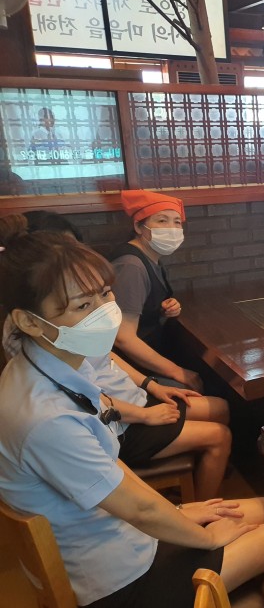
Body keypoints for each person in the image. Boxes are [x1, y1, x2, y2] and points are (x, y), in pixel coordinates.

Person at [0, 221, 264, 608]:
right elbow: (138, 509)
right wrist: (207, 536)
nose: (105, 312)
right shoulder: (47, 418)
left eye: (105, 294)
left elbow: (114, 470)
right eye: (82, 306)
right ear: (28, 321)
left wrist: (181, 509)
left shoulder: (46, 365)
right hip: (114, 576)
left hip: (111, 533)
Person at [2, 211, 231, 501]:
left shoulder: (71, 337)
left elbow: (106, 360)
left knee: (220, 407)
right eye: (84, 303)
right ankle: (206, 507)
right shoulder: (41, 351)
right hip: (117, 423)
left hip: (127, 402)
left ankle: (202, 481)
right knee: (219, 436)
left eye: (106, 293)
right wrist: (145, 415)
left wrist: (150, 385)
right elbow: (91, 401)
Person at [110, 189, 205, 392]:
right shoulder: (131, 266)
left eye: (177, 222)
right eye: (162, 221)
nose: (172, 228)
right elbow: (123, 338)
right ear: (138, 226)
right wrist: (176, 371)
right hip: (129, 368)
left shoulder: (150, 256)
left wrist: (163, 308)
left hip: (150, 352)